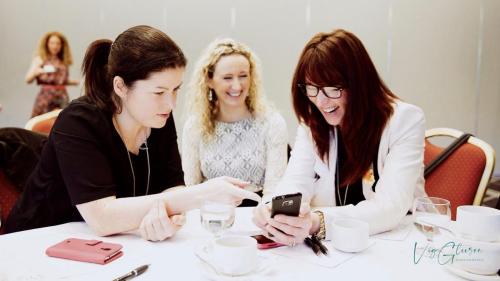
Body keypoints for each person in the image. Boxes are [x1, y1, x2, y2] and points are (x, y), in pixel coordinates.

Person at [5, 25, 260, 241]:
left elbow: (172, 187)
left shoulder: (158, 117)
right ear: (120, 86)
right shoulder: (79, 121)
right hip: (40, 242)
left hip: (110, 245)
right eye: (159, 92)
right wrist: (201, 195)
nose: (171, 104)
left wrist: (168, 217)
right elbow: (103, 216)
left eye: (175, 90)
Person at [252, 29, 426, 246]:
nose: (322, 102)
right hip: (336, 247)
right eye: (312, 89)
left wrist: (317, 222)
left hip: (391, 242)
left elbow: (390, 207)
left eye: (332, 88)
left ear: (359, 82)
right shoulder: (312, 124)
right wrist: (274, 209)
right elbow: (295, 181)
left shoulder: (404, 120)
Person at [181, 38, 288, 206]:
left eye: (243, 76)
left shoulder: (272, 123)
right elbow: (191, 188)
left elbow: (274, 191)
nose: (237, 86)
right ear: (209, 80)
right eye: (227, 77)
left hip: (259, 214)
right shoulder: (195, 126)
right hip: (212, 216)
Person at [25, 31, 79, 117]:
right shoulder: (40, 59)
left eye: (58, 43)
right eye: (52, 43)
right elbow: (28, 79)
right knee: (41, 124)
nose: (55, 46)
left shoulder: (63, 61)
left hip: (62, 97)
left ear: (62, 46)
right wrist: (36, 72)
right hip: (46, 98)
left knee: (62, 122)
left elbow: (61, 80)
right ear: (47, 44)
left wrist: (78, 82)